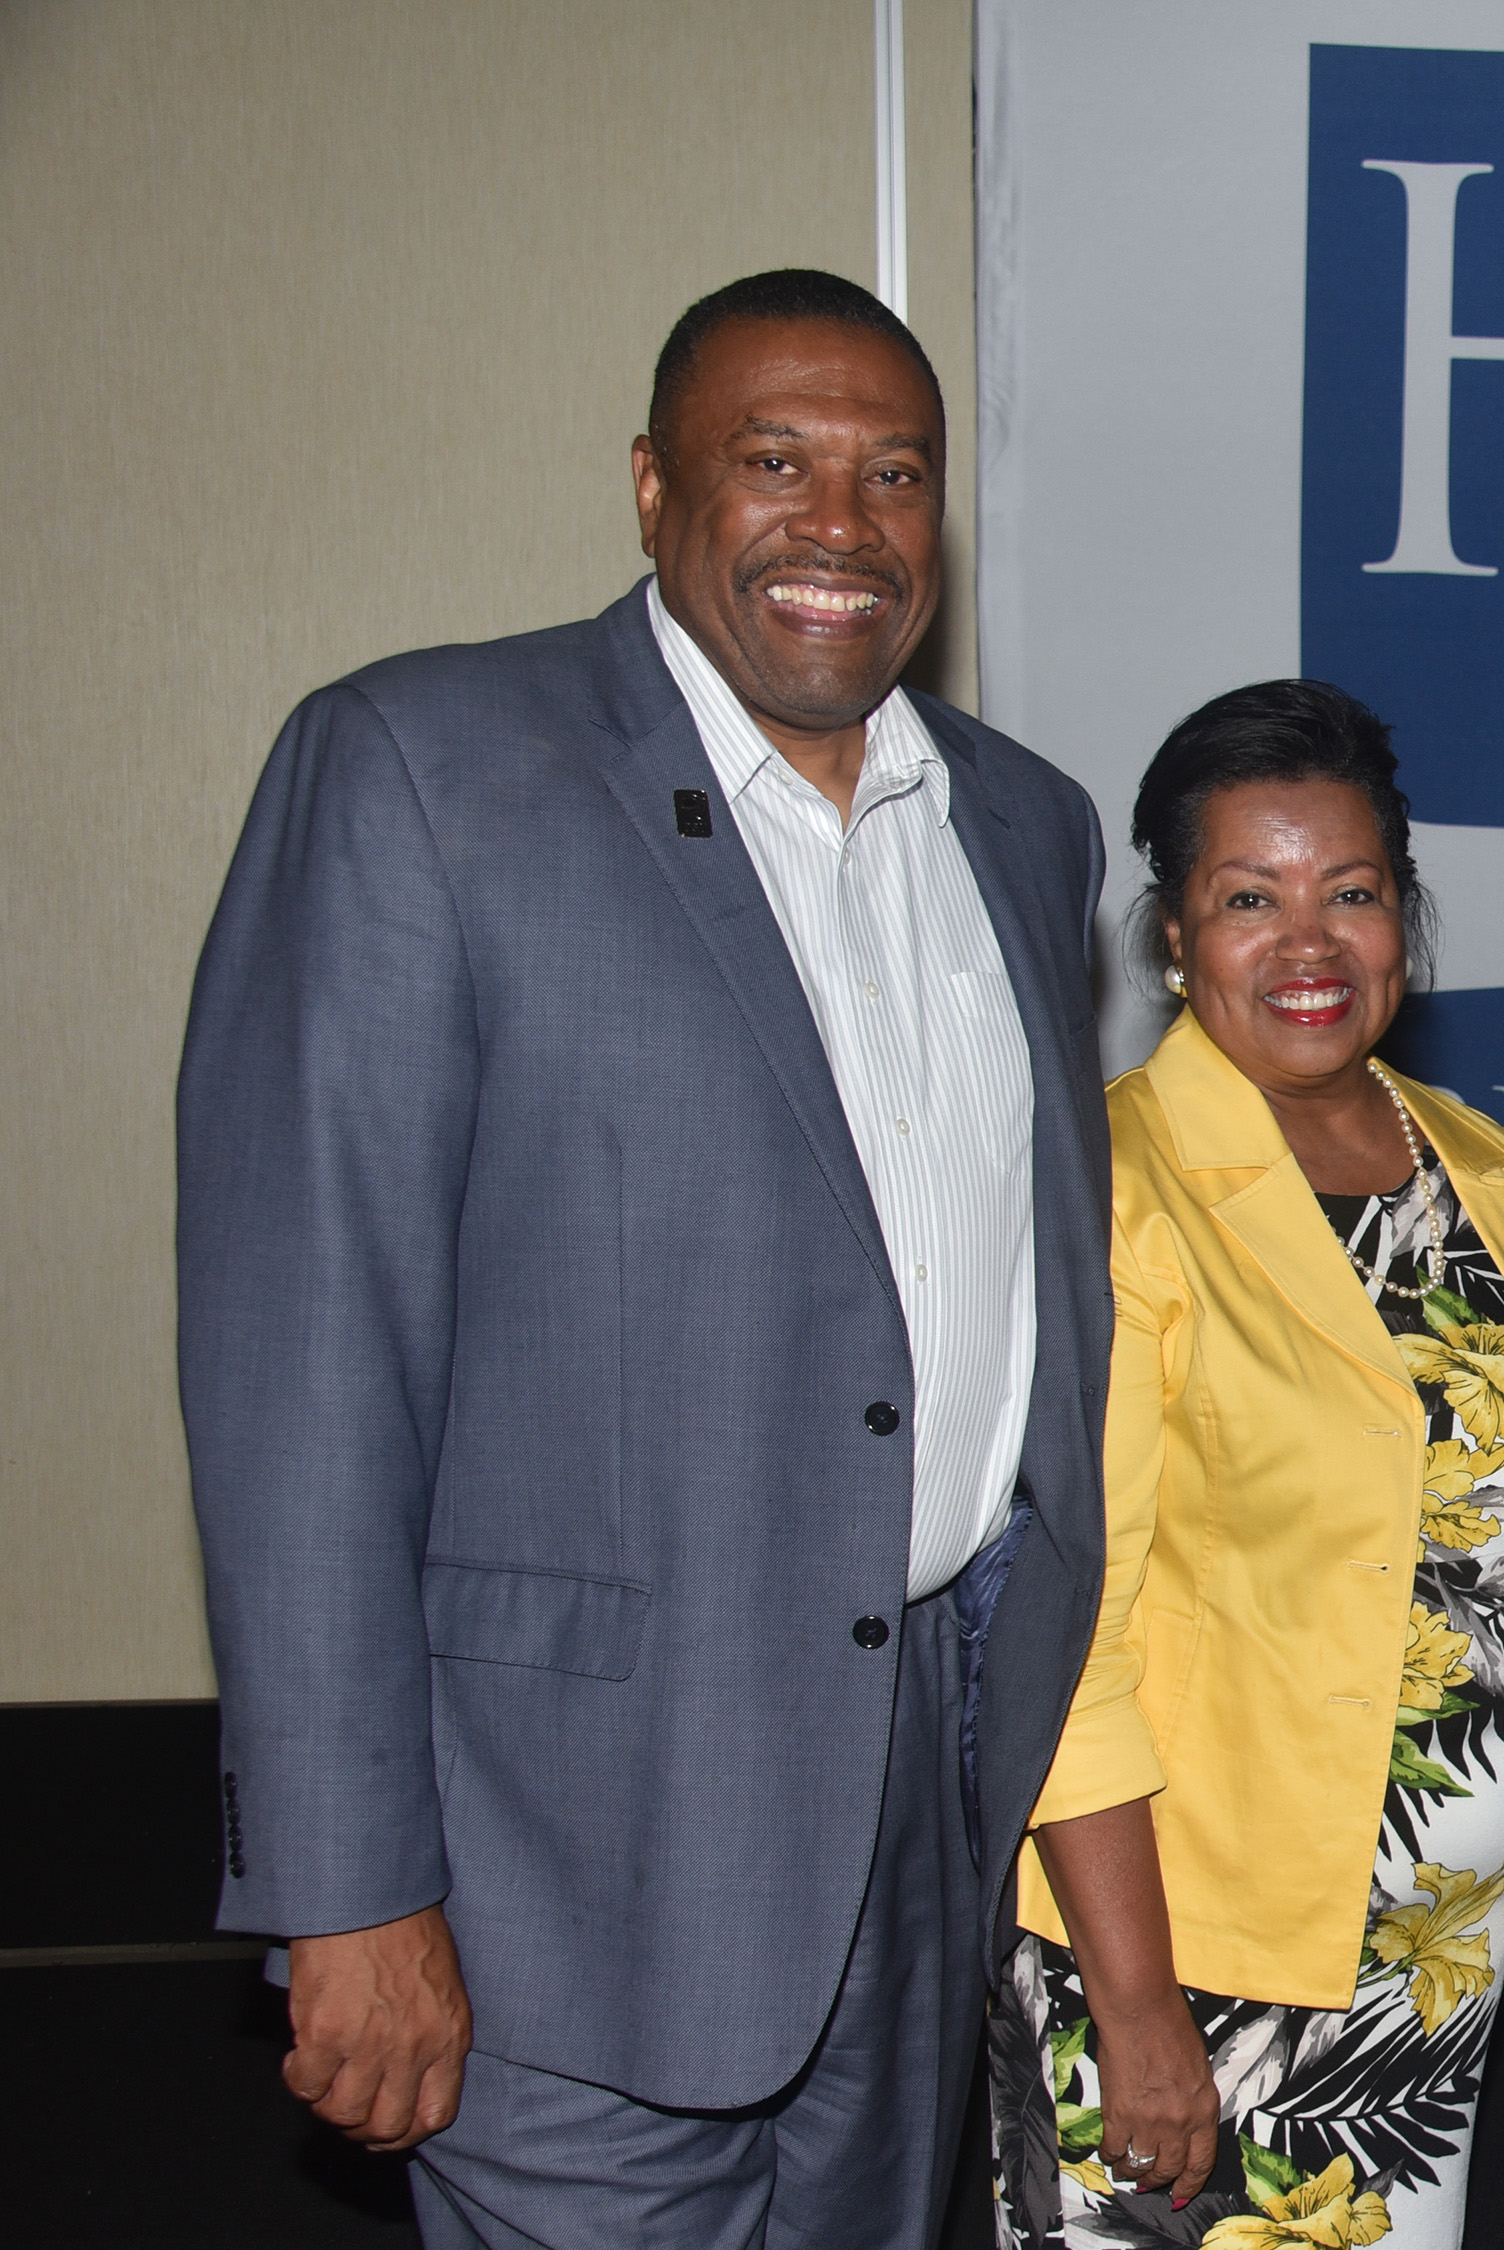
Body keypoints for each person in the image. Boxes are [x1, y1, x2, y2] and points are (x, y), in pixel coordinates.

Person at [176, 269, 1108, 2246]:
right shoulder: (424, 773)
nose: (841, 522)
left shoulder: (1021, 827)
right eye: (774, 460)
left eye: (894, 474)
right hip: (554, 1861)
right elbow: (306, 1373)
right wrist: (349, 1890)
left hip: (915, 1818)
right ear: (649, 484)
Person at [983, 681, 1504, 2246]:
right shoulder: (1112, 1190)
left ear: (1406, 917)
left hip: (1430, 1964)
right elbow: (1067, 1640)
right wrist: (1138, 2008)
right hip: (1192, 1969)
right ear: (1172, 933)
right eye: (1250, 898)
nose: (1308, 945)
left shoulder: (1497, 1173)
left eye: (1351, 893)